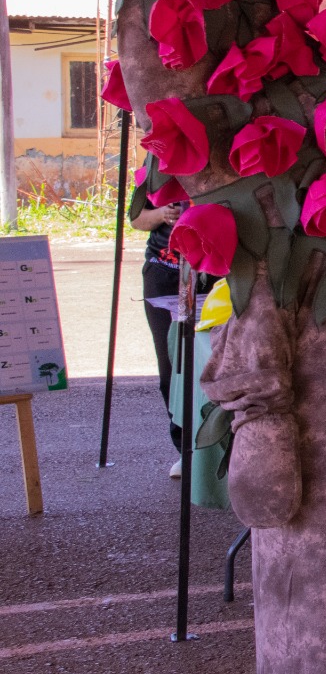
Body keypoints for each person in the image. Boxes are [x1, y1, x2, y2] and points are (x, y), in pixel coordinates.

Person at [129, 200, 186, 475]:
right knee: (171, 367)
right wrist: (162, 214)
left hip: (215, 275)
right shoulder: (156, 164)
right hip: (162, 274)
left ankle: (223, 449)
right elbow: (137, 219)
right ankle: (185, 448)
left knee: (218, 361)